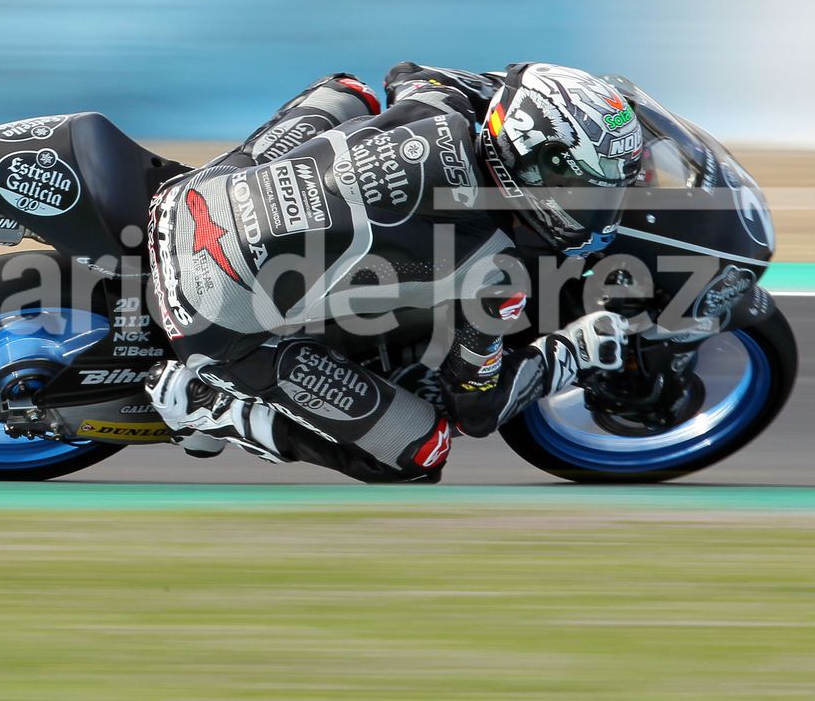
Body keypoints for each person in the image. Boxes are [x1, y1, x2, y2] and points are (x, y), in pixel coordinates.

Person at [144, 62, 643, 482]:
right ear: (532, 160)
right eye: (583, 189)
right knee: (422, 452)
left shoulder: (440, 101)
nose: (597, 206)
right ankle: (211, 409)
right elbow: (477, 410)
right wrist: (574, 350)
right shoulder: (496, 270)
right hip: (211, 312)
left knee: (349, 93)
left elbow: (404, 73)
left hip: (192, 196)